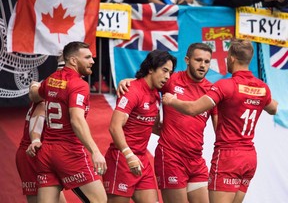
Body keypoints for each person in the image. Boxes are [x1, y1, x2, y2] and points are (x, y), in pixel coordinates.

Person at [162, 38, 278, 203]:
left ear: (231, 58)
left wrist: (172, 101)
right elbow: (273, 108)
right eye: (199, 60)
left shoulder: (224, 86)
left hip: (228, 156)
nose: (203, 65)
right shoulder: (262, 88)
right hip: (249, 157)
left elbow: (193, 109)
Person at [117, 43, 218, 203]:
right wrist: (128, 81)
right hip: (171, 157)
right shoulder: (171, 80)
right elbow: (147, 81)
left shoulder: (212, 91)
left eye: (207, 62)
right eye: (198, 60)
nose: (202, 65)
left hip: (196, 160)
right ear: (187, 60)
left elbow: (219, 129)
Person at [29, 41, 107, 203]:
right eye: (87, 57)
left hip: (46, 153)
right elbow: (77, 119)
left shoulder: (51, 79)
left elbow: (35, 97)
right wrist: (95, 151)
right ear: (72, 60)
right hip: (69, 152)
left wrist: (33, 87)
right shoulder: (79, 85)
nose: (92, 61)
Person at [103, 50, 177, 203]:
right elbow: (114, 127)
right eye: (164, 70)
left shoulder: (156, 94)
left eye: (170, 72)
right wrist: (129, 155)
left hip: (141, 160)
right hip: (122, 159)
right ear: (151, 68)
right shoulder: (131, 91)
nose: (167, 77)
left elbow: (155, 127)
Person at [15, 101, 67, 203]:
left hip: (41, 155)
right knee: (36, 199)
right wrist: (35, 140)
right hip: (32, 154)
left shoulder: (49, 97)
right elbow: (36, 123)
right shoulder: (44, 102)